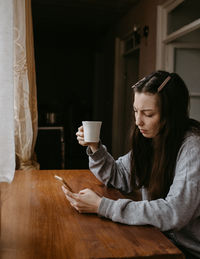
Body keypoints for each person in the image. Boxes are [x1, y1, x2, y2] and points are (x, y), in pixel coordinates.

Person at [62, 70, 200, 259]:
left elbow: (174, 212)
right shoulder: (153, 138)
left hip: (188, 251)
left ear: (171, 115)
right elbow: (118, 176)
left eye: (148, 114)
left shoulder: (193, 147)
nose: (138, 121)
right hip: (158, 237)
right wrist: (95, 147)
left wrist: (102, 206)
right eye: (136, 111)